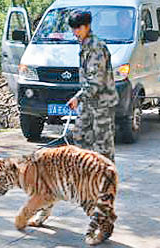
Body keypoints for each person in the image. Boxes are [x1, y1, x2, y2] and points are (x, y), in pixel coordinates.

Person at [67, 10, 119, 161]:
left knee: (104, 147)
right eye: (73, 28)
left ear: (87, 26)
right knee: (79, 136)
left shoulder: (96, 47)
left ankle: (107, 180)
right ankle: (89, 173)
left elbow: (95, 82)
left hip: (102, 104)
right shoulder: (84, 45)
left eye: (78, 28)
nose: (75, 32)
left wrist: (78, 98)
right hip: (89, 102)